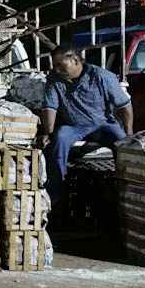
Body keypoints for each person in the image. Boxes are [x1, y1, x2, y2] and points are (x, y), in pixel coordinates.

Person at [38, 46, 134, 202]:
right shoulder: (54, 79)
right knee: (59, 138)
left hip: (103, 124)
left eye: (60, 65)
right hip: (74, 126)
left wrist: (129, 134)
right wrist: (48, 133)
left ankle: (125, 184)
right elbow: (50, 107)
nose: (56, 69)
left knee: (122, 142)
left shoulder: (102, 76)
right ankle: (56, 192)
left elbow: (124, 106)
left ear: (75, 61)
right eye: (54, 65)